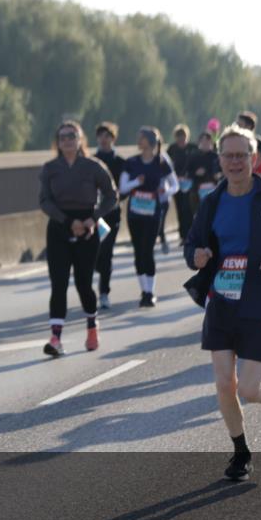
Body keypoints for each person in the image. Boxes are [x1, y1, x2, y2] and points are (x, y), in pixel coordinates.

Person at [184, 123, 261, 481]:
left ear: (254, 158)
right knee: (225, 383)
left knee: (250, 389)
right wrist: (199, 256)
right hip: (221, 300)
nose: (236, 161)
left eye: (242, 155)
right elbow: (190, 245)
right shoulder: (212, 202)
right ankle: (241, 452)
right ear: (219, 160)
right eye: (229, 155)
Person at [38, 120, 116, 355]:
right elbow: (44, 201)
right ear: (57, 143)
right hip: (60, 227)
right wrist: (67, 222)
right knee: (58, 283)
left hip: (88, 227)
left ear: (80, 139)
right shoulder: (50, 168)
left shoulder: (93, 166)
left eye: (72, 136)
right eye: (62, 137)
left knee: (84, 283)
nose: (67, 140)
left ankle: (92, 326)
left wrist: (94, 218)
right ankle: (55, 339)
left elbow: (111, 196)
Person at [121, 126, 178, 307]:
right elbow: (122, 188)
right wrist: (136, 182)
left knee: (148, 250)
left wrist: (166, 191)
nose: (139, 141)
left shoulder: (161, 162)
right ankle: (143, 291)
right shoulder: (131, 162)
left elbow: (174, 184)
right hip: (135, 213)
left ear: (151, 141)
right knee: (138, 251)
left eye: (142, 137)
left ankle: (150, 292)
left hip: (153, 212)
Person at [93, 122, 125, 309]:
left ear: (113, 139)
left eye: (107, 136)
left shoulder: (120, 162)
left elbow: (126, 187)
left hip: (112, 213)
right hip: (96, 214)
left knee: (107, 252)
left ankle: (104, 292)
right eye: (101, 136)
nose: (104, 139)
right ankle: (98, 270)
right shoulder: (92, 160)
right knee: (95, 252)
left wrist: (119, 195)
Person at [167, 124, 198, 246]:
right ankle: (183, 235)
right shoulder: (172, 149)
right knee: (180, 209)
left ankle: (190, 235)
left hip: (190, 184)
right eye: (179, 136)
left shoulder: (193, 148)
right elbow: (166, 165)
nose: (181, 139)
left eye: (183, 136)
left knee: (188, 209)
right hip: (176, 183)